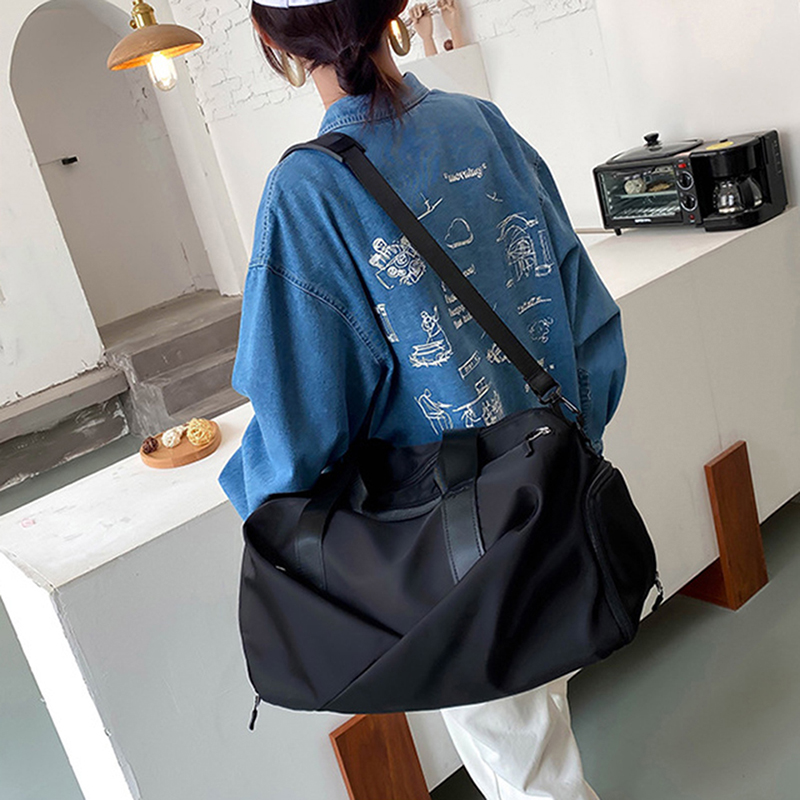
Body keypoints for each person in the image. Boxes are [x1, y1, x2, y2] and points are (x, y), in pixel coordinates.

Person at [218, 1, 626, 798]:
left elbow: (300, 419)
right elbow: (588, 322)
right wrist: (577, 447)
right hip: (554, 498)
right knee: (540, 729)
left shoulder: (308, 191)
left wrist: (256, 498)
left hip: (459, 549)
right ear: (398, 6)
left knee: (528, 773)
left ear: (271, 39)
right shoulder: (482, 125)